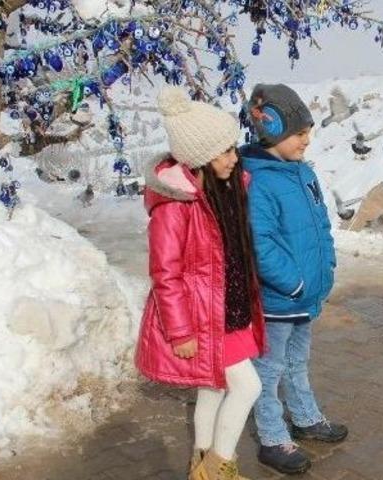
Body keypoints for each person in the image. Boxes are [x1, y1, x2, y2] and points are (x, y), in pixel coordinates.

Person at [135, 86, 266, 480]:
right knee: (248, 388)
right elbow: (165, 274)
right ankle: (218, 468)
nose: (233, 158)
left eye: (233, 148)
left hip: (228, 311)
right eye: (224, 152)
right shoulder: (175, 206)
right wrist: (180, 332)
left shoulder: (224, 191)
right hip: (203, 319)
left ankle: (201, 467)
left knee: (213, 389)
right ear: (200, 159)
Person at [240, 84, 345, 475]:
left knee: (298, 363)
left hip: (304, 296)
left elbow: (321, 226)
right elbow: (259, 242)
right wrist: (293, 283)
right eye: (299, 133)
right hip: (279, 299)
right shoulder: (260, 181)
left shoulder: (301, 173)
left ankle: (305, 419)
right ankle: (272, 437)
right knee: (268, 371)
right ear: (274, 130)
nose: (307, 139)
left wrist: (327, 267)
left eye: (308, 132)